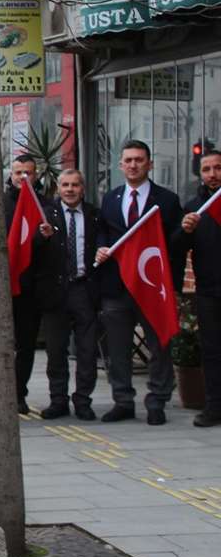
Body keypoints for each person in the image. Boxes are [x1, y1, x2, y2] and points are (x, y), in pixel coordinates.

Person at [95, 140, 185, 425]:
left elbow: (175, 246)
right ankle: (123, 400)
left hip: (152, 286)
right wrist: (100, 247)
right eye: (128, 160)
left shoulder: (167, 201)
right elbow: (103, 233)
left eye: (139, 160)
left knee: (159, 344)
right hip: (117, 286)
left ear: (149, 164)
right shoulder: (110, 198)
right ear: (120, 165)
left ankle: (157, 400)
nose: (133, 165)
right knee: (118, 348)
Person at [0, 156, 46, 416]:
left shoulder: (44, 205)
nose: (23, 177)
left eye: (28, 172)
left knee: (25, 344)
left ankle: (18, 394)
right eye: (18, 172)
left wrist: (45, 236)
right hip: (0, 286)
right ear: (10, 175)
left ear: (36, 175)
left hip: (30, 287)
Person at [37, 169, 101, 421]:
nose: (70, 189)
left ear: (82, 188)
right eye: (65, 185)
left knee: (86, 350)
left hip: (84, 289)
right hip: (56, 292)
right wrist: (40, 238)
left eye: (75, 185)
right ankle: (58, 400)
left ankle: (83, 400)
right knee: (56, 350)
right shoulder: (46, 215)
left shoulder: (94, 215)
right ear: (58, 188)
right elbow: (33, 249)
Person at [174, 150, 221, 427]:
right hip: (207, 292)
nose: (213, 174)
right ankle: (214, 406)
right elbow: (177, 248)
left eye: (217, 168)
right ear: (200, 174)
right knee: (212, 352)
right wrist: (185, 230)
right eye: (207, 169)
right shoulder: (194, 207)